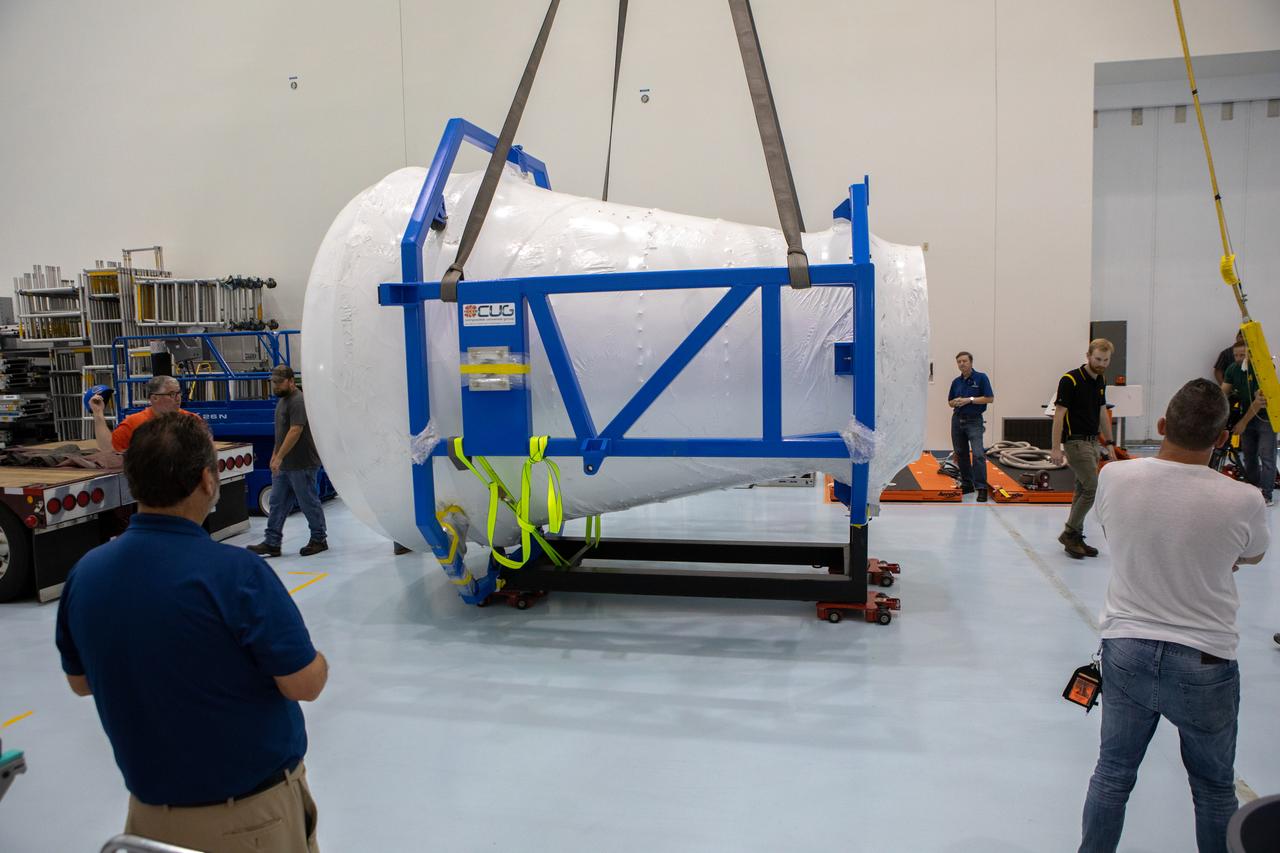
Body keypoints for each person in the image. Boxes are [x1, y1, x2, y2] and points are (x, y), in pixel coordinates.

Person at [55, 413, 326, 852]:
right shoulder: (236, 574)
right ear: (206, 480)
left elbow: (80, 682)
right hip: (248, 821)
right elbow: (304, 682)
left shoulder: (87, 575)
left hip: (147, 821)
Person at [1078, 378, 1267, 853]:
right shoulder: (1243, 499)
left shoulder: (1114, 478)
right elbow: (1254, 554)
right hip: (1205, 662)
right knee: (1213, 789)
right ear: (1221, 439)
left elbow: (1115, 526)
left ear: (1162, 425)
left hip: (1126, 651)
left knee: (1112, 776)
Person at [249, 365, 327, 557]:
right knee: (277, 502)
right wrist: (275, 455)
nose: (275, 386)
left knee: (308, 502)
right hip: (285, 465)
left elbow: (295, 430)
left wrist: (280, 456)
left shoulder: (298, 401)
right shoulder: (283, 400)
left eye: (279, 382)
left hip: (302, 463)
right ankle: (272, 542)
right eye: (273, 382)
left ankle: (319, 539)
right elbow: (281, 432)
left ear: (291, 381)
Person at [1051, 339, 1115, 559]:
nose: (1101, 364)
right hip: (1075, 442)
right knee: (1092, 488)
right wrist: (1056, 448)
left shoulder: (1100, 380)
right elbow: (1059, 415)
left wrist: (1110, 443)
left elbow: (1101, 412)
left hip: (1092, 442)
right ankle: (1070, 532)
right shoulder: (1070, 380)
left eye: (1105, 360)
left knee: (1081, 489)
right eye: (1097, 359)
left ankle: (1076, 536)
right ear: (1088, 355)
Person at [1221, 343, 1274, 506]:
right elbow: (1223, 392)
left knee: (1266, 456)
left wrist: (1242, 423)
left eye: (1242, 355)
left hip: (1266, 418)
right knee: (1249, 455)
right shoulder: (1232, 369)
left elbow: (1259, 402)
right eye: (1236, 355)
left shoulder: (1260, 370)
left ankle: (1266, 494)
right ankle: (1252, 489)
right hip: (1246, 415)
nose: (1238, 358)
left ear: (1250, 354)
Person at [90, 375, 197, 454]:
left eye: (179, 393)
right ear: (154, 398)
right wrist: (98, 413)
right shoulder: (134, 423)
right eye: (172, 394)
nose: (178, 398)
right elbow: (109, 450)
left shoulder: (191, 420)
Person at [947, 351, 995, 501]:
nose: (962, 364)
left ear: (971, 362)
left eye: (964, 361)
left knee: (978, 454)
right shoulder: (956, 382)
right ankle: (967, 484)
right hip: (957, 420)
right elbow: (949, 402)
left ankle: (981, 487)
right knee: (961, 453)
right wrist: (955, 402)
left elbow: (990, 398)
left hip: (974, 421)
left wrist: (970, 400)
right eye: (959, 362)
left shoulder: (981, 378)